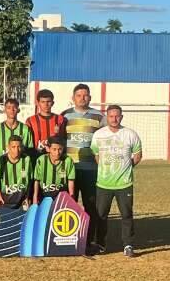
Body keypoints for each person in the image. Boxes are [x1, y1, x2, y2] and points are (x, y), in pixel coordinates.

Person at [91, 105, 142, 257]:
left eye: (117, 116)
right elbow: (96, 155)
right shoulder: (99, 135)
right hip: (103, 184)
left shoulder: (130, 134)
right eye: (111, 116)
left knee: (126, 215)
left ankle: (128, 245)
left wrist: (126, 168)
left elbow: (138, 155)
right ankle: (100, 244)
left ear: (121, 117)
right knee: (101, 215)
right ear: (107, 117)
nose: (114, 119)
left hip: (124, 184)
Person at [61, 83, 105, 252]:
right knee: (69, 204)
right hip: (69, 169)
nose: (82, 98)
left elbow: (104, 140)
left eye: (85, 95)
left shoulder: (99, 117)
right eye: (78, 95)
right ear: (73, 98)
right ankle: (67, 239)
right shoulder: (64, 116)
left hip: (91, 170)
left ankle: (87, 241)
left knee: (90, 206)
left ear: (90, 98)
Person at [0, 135, 33, 209]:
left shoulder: (26, 159)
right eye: (13, 147)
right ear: (8, 147)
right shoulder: (2, 159)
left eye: (19, 147)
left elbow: (30, 180)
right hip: (5, 198)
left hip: (21, 198)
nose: (16, 150)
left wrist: (27, 197)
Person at [32, 136, 75, 204]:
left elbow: (71, 181)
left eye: (60, 149)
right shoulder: (41, 160)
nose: (57, 152)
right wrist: (35, 197)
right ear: (48, 149)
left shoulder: (68, 161)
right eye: (54, 149)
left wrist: (71, 196)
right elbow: (37, 180)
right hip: (44, 196)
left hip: (61, 197)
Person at [26, 89, 66, 155]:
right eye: (43, 102)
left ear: (52, 103)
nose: (46, 104)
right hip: (36, 157)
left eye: (48, 101)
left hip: (56, 157)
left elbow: (64, 140)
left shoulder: (61, 119)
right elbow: (28, 142)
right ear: (38, 103)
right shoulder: (30, 121)